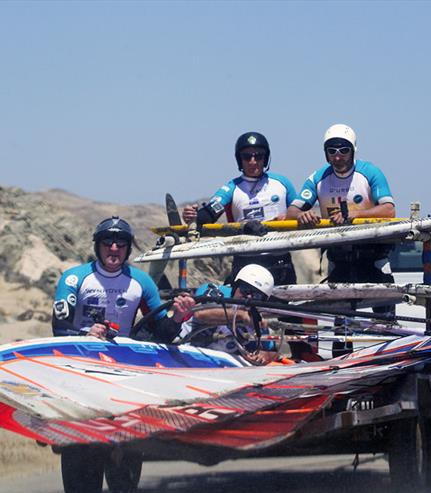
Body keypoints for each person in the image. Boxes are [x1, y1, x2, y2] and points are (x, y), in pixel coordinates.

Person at [52, 216, 195, 342]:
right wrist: (86, 334)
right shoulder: (73, 277)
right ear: (97, 246)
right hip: (78, 350)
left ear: (128, 249)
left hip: (121, 357)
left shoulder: (142, 282)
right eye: (107, 242)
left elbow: (162, 335)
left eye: (121, 243)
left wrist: (177, 317)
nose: (114, 248)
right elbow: (60, 328)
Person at [286, 123, 397, 286]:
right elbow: (291, 212)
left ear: (353, 150)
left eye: (344, 151)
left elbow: (389, 210)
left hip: (373, 256)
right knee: (341, 310)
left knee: (383, 309)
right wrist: (302, 214)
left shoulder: (371, 172)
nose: (338, 157)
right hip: (338, 259)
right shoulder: (317, 178)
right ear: (326, 154)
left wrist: (354, 214)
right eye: (332, 151)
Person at [182, 132, 298, 285]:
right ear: (239, 159)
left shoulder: (282, 183)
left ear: (265, 158)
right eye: (246, 157)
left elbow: (299, 211)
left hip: (280, 261)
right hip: (245, 262)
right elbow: (210, 213)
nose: (252, 161)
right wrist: (193, 216)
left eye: (258, 156)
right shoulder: (231, 188)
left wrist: (289, 216)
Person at [179, 264, 281, 366]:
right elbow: (200, 314)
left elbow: (272, 351)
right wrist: (241, 316)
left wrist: (266, 355)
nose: (249, 297)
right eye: (245, 290)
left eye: (257, 296)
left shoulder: (256, 320)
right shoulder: (214, 291)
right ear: (236, 286)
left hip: (218, 365)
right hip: (184, 352)